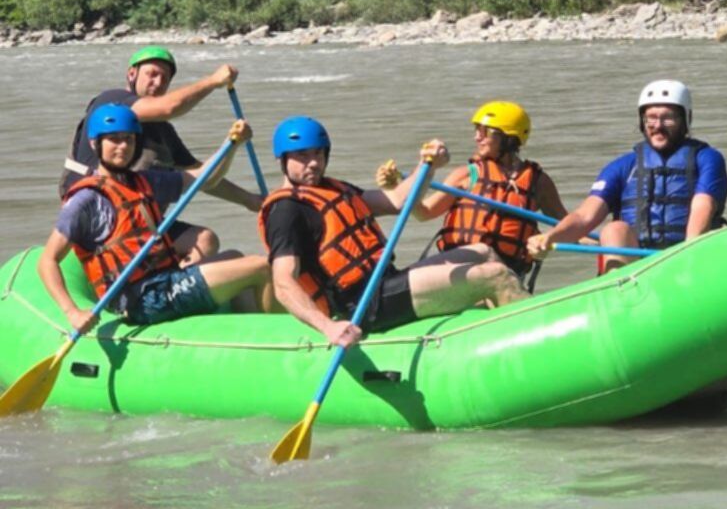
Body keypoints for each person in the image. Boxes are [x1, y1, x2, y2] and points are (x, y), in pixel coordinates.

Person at [258, 116, 529, 348]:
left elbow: (398, 200)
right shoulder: (286, 211)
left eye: (318, 154)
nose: (314, 163)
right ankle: (530, 338)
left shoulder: (332, 188)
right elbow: (283, 283)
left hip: (385, 282)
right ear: (283, 160)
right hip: (361, 306)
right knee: (495, 276)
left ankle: (499, 329)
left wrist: (428, 166)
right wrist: (328, 327)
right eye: (303, 156)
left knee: (483, 252)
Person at [39, 104, 273, 335]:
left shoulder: (143, 181)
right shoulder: (86, 200)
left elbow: (204, 179)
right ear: (95, 143)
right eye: (114, 139)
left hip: (164, 280)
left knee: (235, 257)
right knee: (260, 266)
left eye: (129, 139)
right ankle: (278, 335)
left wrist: (231, 143)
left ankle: (251, 331)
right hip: (141, 300)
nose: (122, 147)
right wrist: (72, 312)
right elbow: (47, 260)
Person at [59, 46, 261, 265]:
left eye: (165, 78)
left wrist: (250, 200)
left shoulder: (164, 132)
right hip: (99, 212)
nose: (158, 82)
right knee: (206, 242)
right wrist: (213, 81)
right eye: (152, 74)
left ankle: (175, 287)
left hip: (138, 218)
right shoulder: (112, 102)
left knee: (206, 241)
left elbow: (203, 178)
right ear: (132, 74)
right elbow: (169, 108)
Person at [528, 80, 727, 273]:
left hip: (685, 258)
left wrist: (687, 255)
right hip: (636, 267)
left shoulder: (707, 159)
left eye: (668, 117)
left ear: (685, 120)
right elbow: (584, 217)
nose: (657, 125)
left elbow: (703, 206)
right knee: (614, 229)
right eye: (650, 117)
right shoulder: (623, 166)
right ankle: (620, 291)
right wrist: (550, 238)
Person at [378, 101, 567, 284]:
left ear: (509, 138)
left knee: (500, 279)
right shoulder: (467, 175)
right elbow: (423, 212)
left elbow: (569, 225)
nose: (477, 137)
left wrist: (550, 240)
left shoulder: (538, 182)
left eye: (485, 132)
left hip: (509, 274)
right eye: (477, 130)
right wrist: (395, 189)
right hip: (461, 272)